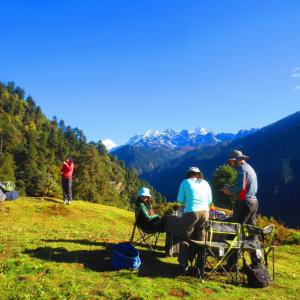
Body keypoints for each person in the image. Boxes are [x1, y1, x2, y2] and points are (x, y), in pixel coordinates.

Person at [222, 149, 260, 267]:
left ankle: (231, 264)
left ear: (235, 160)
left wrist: (228, 190)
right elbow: (245, 186)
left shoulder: (242, 170)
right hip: (253, 201)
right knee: (252, 232)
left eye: (230, 162)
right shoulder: (250, 168)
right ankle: (256, 262)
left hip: (244, 203)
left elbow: (240, 187)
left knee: (236, 230)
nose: (230, 165)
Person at [176, 167, 212, 274]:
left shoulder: (185, 182)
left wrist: (189, 200)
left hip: (191, 212)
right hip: (205, 212)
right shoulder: (205, 183)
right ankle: (200, 267)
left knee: (185, 237)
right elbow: (210, 200)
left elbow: (179, 200)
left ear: (189, 174)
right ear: (198, 174)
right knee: (201, 240)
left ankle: (184, 265)